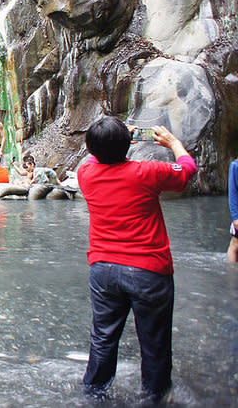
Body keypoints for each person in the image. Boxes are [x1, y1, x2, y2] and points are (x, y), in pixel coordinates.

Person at [77, 117, 196, 403]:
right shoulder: (147, 172)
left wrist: (114, 141)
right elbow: (188, 171)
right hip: (148, 270)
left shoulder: (86, 174)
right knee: (154, 342)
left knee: (103, 338)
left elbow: (96, 156)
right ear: (129, 144)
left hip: (103, 270)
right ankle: (154, 397)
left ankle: (93, 393)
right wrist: (173, 143)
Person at [228, 158, 238, 262]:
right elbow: (233, 193)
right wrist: (236, 217)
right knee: (235, 244)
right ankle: (232, 273)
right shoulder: (235, 165)